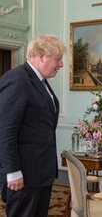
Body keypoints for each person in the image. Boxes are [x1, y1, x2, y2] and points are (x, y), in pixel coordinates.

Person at [0, 34, 65, 217]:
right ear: (42, 55)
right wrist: (12, 172)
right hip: (23, 175)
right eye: (58, 59)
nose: (60, 65)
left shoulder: (40, 82)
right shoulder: (17, 79)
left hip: (40, 173)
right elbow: (5, 131)